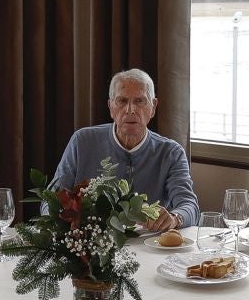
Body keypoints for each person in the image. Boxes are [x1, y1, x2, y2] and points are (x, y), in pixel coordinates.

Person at [49, 69, 199, 233]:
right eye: (122, 101)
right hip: (90, 245)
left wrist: (174, 218)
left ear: (153, 107)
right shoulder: (82, 142)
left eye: (140, 101)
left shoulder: (171, 152)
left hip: (150, 247)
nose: (130, 110)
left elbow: (189, 205)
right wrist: (62, 220)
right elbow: (51, 198)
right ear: (111, 107)